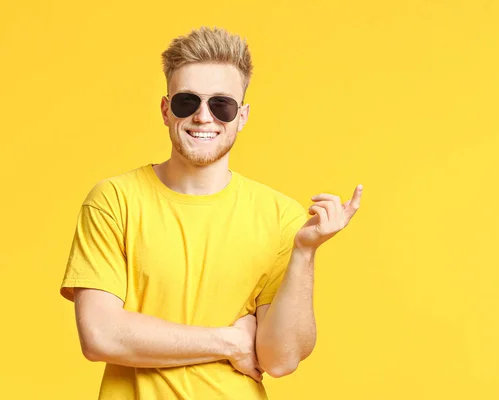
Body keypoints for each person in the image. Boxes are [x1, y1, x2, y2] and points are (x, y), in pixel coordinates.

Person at [59, 26, 362, 400]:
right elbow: (100, 335)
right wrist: (228, 342)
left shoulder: (281, 216)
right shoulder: (113, 201)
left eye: (222, 105)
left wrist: (305, 252)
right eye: (188, 102)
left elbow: (280, 359)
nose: (204, 117)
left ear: (243, 116)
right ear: (166, 110)